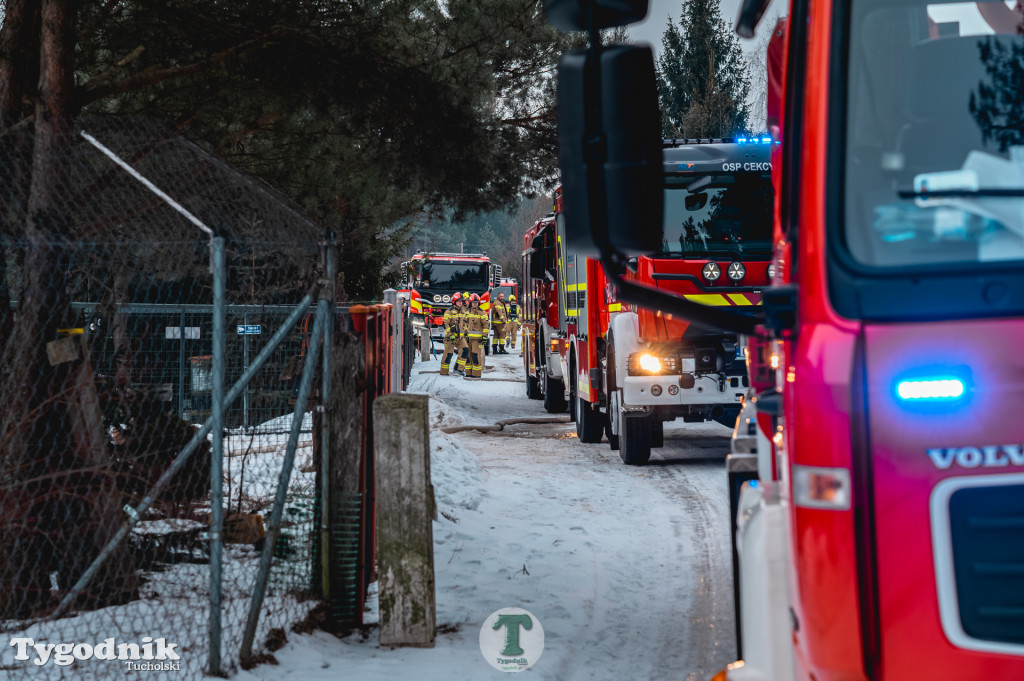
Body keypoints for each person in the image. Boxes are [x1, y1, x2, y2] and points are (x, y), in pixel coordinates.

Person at [463, 293, 489, 378]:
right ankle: (468, 373)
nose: (475, 303)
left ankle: (476, 374)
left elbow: (486, 325)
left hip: (477, 340)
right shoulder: (467, 312)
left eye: (476, 302)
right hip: (468, 340)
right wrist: (465, 334)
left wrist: (485, 336)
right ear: (470, 302)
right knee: (468, 357)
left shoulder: (482, 313)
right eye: (473, 302)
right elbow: (464, 324)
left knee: (476, 357)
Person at [440, 293, 464, 375]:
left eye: (461, 301)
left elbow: (465, 324)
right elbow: (445, 325)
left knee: (465, 351)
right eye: (458, 301)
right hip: (450, 337)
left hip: (460, 337)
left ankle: (458, 369)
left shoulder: (463, 311)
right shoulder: (449, 311)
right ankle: (443, 372)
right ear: (454, 302)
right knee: (448, 354)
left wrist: (466, 333)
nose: (460, 303)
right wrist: (450, 335)